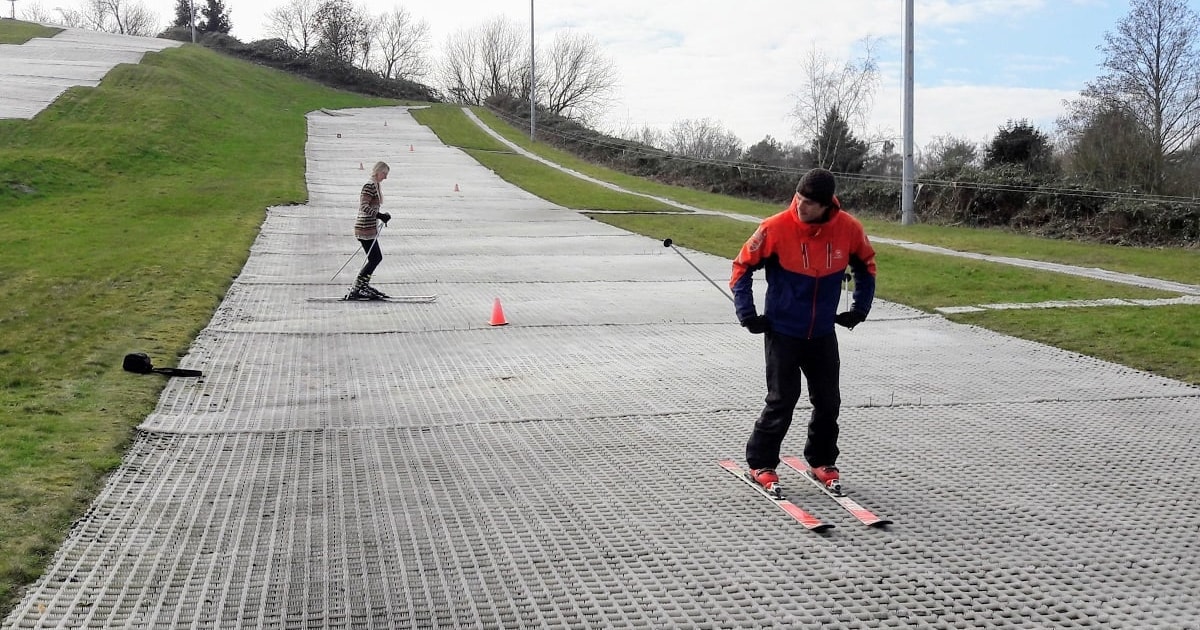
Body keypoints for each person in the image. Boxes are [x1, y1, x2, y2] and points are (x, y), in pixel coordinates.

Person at [729, 168, 877, 495]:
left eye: (809, 203)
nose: (800, 207)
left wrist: (859, 309)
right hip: (782, 331)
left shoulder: (849, 229)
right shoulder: (774, 228)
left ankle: (822, 460)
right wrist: (748, 313)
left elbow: (866, 267)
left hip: (822, 332)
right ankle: (761, 462)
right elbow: (741, 268)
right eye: (798, 199)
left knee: (828, 401)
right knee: (783, 400)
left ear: (827, 206)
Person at [346, 161, 393, 300]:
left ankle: (362, 286)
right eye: (384, 174)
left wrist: (383, 215)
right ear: (378, 171)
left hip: (369, 228)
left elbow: (371, 207)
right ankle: (358, 287)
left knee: (374, 258)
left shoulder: (376, 186)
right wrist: (380, 215)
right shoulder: (369, 186)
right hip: (364, 228)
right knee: (375, 258)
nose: (385, 177)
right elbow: (364, 206)